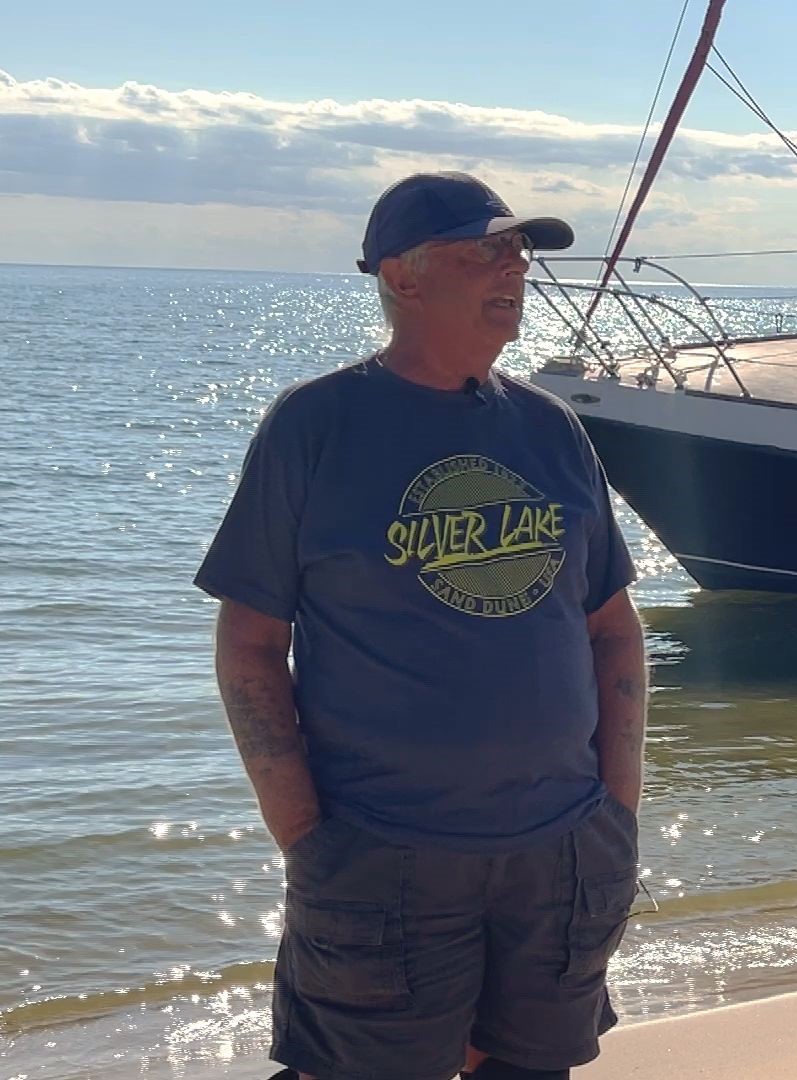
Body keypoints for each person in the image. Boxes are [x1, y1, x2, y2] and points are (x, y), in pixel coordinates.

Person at [195, 172, 648, 1080]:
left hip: (559, 858)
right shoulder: (315, 426)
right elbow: (249, 647)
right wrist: (309, 841)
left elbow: (612, 630)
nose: (514, 268)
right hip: (383, 860)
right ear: (402, 278)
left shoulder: (552, 429)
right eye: (486, 249)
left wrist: (618, 814)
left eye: (520, 251)